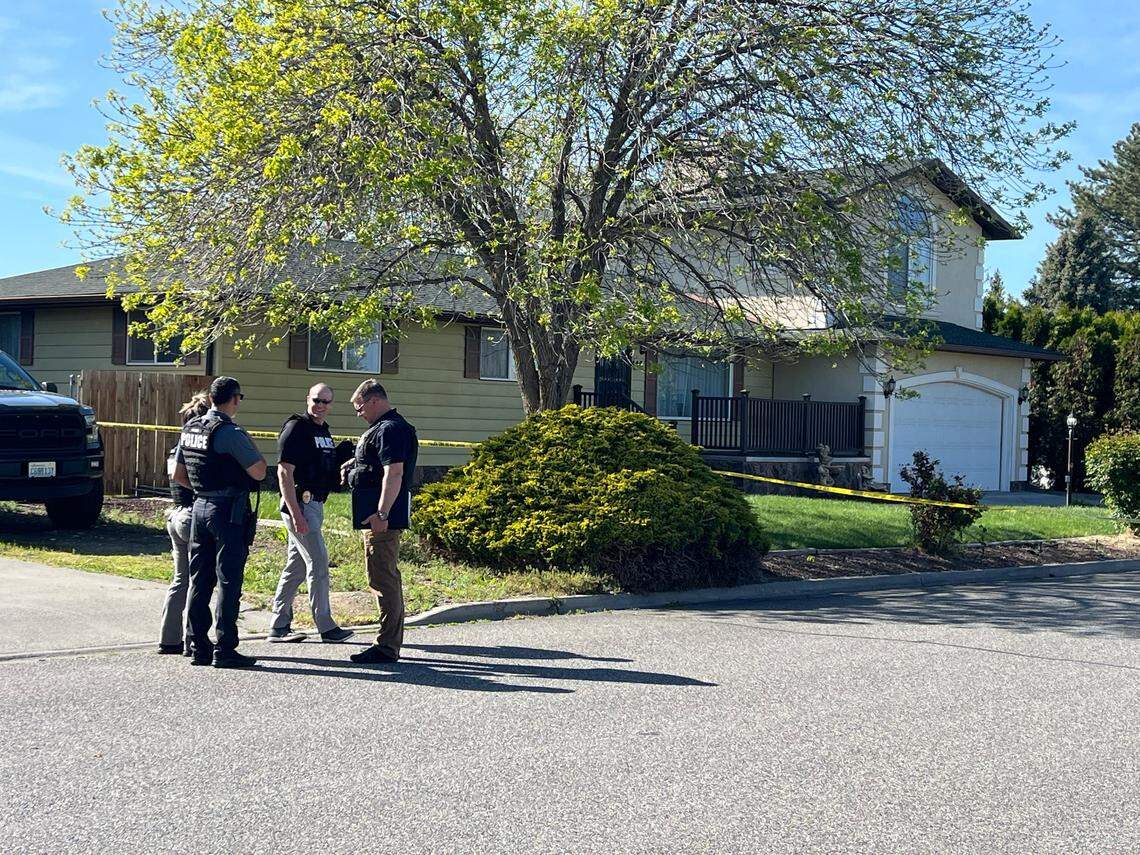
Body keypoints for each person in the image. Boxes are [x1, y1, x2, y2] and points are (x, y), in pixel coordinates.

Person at [174, 376, 267, 669]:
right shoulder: (228, 431)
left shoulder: (192, 427)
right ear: (235, 399)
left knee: (199, 580)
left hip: (199, 506)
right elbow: (259, 471)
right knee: (229, 580)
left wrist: (204, 489)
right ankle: (225, 648)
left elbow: (178, 474)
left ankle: (198, 645)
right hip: (227, 510)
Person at [266, 383, 354, 644]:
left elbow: (321, 467)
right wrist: (296, 514)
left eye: (327, 402)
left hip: (315, 504)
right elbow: (284, 472)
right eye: (317, 400)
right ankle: (325, 626)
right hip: (300, 504)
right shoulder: (297, 428)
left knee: (296, 567)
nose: (321, 406)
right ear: (308, 399)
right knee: (319, 562)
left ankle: (278, 625)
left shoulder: (322, 430)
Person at [342, 379, 418, 664]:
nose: (358, 413)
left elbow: (394, 473)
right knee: (381, 577)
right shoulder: (383, 429)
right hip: (377, 518)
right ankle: (387, 642)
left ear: (374, 401)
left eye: (359, 407)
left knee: (384, 580)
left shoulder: (390, 429)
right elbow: (379, 467)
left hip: (382, 520)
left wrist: (382, 513)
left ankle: (386, 647)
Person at [156, 391, 210, 655]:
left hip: (174, 514)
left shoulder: (175, 448)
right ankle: (193, 639)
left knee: (180, 579)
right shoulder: (195, 448)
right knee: (198, 580)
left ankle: (169, 639)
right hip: (191, 517)